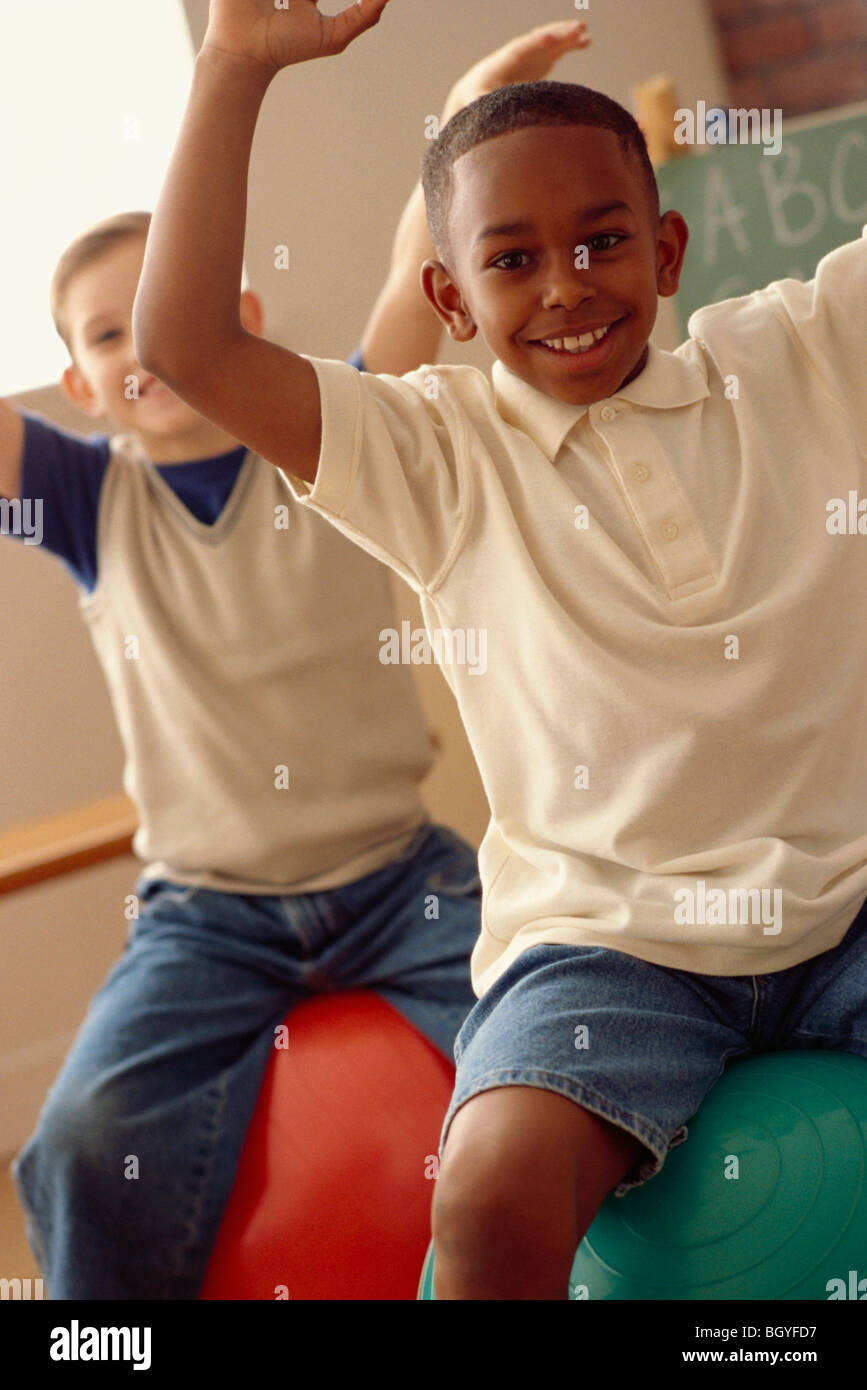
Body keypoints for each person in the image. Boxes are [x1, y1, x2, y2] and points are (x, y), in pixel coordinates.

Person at [134, 0, 867, 1300]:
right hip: (607, 947)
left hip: (847, 899)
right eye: (512, 260)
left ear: (666, 248)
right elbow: (188, 348)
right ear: (448, 297)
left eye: (600, 241)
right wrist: (235, 65)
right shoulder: (433, 454)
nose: (567, 283)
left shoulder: (805, 352)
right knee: (485, 1190)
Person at [2, 16, 589, 1300]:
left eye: (158, 314)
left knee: (576, 1056)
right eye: (103, 340)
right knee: (80, 1142)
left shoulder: (330, 439)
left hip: (400, 877)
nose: (139, 347)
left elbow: (411, 266)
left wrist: (463, 113)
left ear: (236, 313)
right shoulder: (76, 500)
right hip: (206, 914)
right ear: (80, 385)